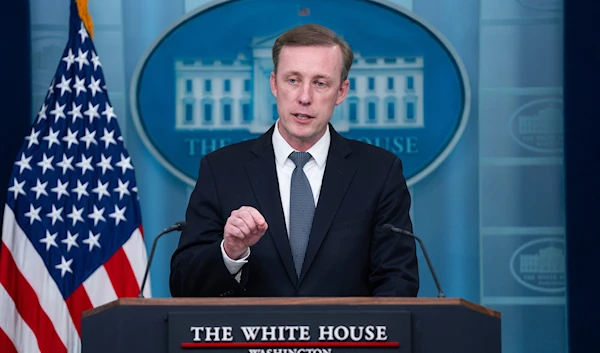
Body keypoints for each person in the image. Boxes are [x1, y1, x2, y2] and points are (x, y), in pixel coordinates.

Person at [170, 24, 419, 297]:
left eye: (320, 83)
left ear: (341, 92)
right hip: (250, 339)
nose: (304, 97)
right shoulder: (221, 170)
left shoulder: (380, 172)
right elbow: (184, 285)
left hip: (346, 339)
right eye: (293, 80)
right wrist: (230, 252)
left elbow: (398, 282)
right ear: (274, 84)